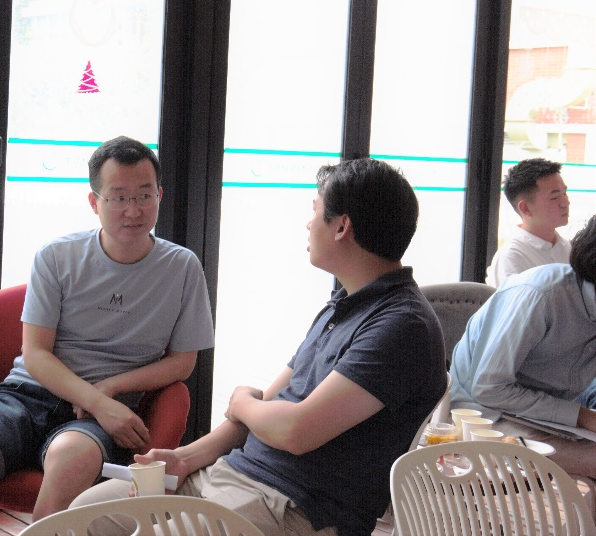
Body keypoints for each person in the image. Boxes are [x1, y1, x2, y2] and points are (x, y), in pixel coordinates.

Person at [71, 158, 447, 536]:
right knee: (86, 513)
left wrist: (242, 403)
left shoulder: (402, 326)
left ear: (341, 227)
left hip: (292, 507)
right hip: (232, 477)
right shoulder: (344, 306)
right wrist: (185, 458)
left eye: (315, 211)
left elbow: (295, 430)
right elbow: (269, 407)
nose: (308, 223)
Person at [0, 135, 215, 532]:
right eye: (118, 197)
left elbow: (182, 363)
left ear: (159, 195)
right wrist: (97, 399)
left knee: (68, 464)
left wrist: (110, 391)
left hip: (96, 421)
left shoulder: (182, 267)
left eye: (144, 195)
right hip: (25, 396)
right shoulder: (57, 256)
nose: (133, 210)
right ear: (94, 202)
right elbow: (36, 354)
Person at [451, 214, 596, 477]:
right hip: (483, 417)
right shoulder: (540, 295)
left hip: (549, 419)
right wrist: (581, 416)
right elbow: (489, 389)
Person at [486, 157, 571, 287]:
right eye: (554, 197)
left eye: (564, 194)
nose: (565, 203)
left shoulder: (569, 248)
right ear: (525, 208)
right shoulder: (512, 257)